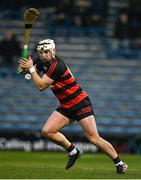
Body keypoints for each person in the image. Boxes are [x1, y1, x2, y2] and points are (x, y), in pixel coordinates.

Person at [19, 39, 128, 173]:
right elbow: (30, 74)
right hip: (66, 105)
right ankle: (73, 151)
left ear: (53, 51)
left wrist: (30, 68)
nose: (44, 55)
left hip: (80, 103)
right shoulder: (42, 63)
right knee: (47, 131)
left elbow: (41, 85)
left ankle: (119, 163)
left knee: (93, 138)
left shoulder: (57, 65)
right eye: (41, 52)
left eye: (47, 52)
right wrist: (24, 70)